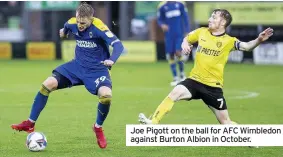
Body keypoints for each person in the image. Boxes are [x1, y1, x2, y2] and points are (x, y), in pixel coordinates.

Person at [11, 3, 125, 149]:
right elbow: (65, 29)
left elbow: (118, 45)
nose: (79, 25)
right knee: (47, 84)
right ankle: (30, 123)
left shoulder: (100, 28)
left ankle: (98, 127)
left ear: (91, 19)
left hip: (97, 70)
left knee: (106, 96)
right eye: (78, 21)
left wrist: (111, 60)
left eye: (83, 23)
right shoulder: (72, 23)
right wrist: (64, 33)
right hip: (76, 67)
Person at [139, 9, 273, 127]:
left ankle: (248, 137)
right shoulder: (202, 32)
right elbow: (187, 39)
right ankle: (153, 122)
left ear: (223, 22)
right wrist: (184, 44)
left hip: (213, 88)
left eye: (214, 17)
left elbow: (247, 46)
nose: (209, 19)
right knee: (174, 93)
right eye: (211, 16)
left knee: (225, 123)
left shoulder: (229, 41)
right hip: (194, 81)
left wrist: (259, 40)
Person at [157, 1, 189, 86]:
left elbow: (185, 18)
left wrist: (186, 31)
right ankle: (175, 78)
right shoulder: (162, 6)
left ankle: (182, 74)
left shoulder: (180, 4)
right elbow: (159, 19)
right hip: (169, 36)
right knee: (170, 55)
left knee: (178, 52)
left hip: (179, 34)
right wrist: (162, 25)